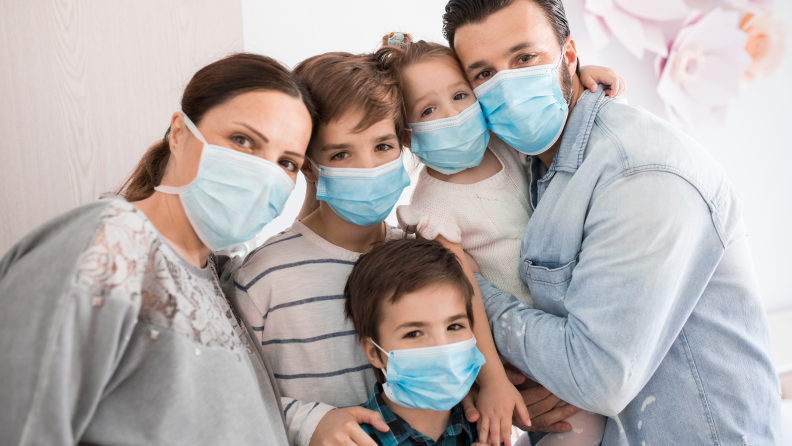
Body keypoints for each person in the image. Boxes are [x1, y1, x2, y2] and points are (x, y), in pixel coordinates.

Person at [442, 0, 783, 444]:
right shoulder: (529, 163)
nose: (508, 87)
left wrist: (466, 286)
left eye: (525, 59)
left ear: (568, 56)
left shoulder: (640, 174)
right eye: (484, 74)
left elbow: (596, 377)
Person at [0, 53, 314, 445]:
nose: (266, 173)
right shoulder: (111, 242)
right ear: (180, 133)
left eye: (287, 162)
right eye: (242, 140)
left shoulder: (215, 276)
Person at [377, 31, 621, 445]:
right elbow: (466, 294)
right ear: (407, 134)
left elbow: (542, 110)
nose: (452, 115)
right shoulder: (431, 206)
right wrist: (493, 379)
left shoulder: (505, 144)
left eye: (460, 96)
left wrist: (579, 75)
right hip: (519, 346)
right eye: (428, 109)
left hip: (571, 318)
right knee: (570, 428)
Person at [344, 238, 485, 446]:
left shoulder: (488, 426)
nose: (442, 347)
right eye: (414, 333)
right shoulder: (346, 438)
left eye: (454, 326)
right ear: (374, 352)